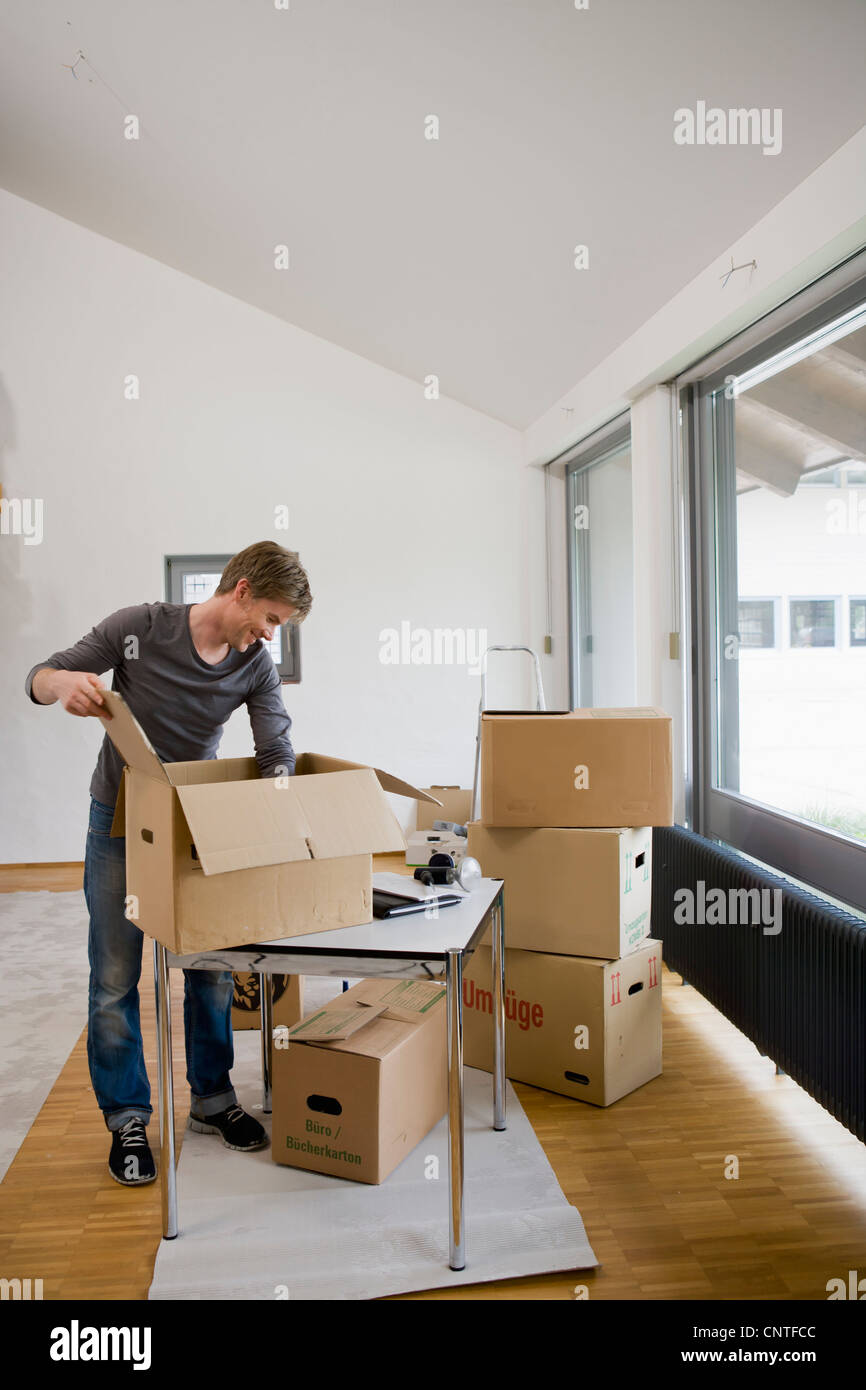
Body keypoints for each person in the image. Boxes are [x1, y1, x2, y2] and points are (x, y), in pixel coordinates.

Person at [24, 541, 313, 1186]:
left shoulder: (254, 665)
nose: (269, 635)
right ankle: (128, 1117)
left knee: (208, 969)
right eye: (268, 618)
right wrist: (61, 684)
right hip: (121, 822)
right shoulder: (137, 629)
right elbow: (38, 675)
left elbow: (276, 746)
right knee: (116, 974)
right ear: (241, 590)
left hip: (194, 824)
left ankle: (213, 1101)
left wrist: (281, 801)